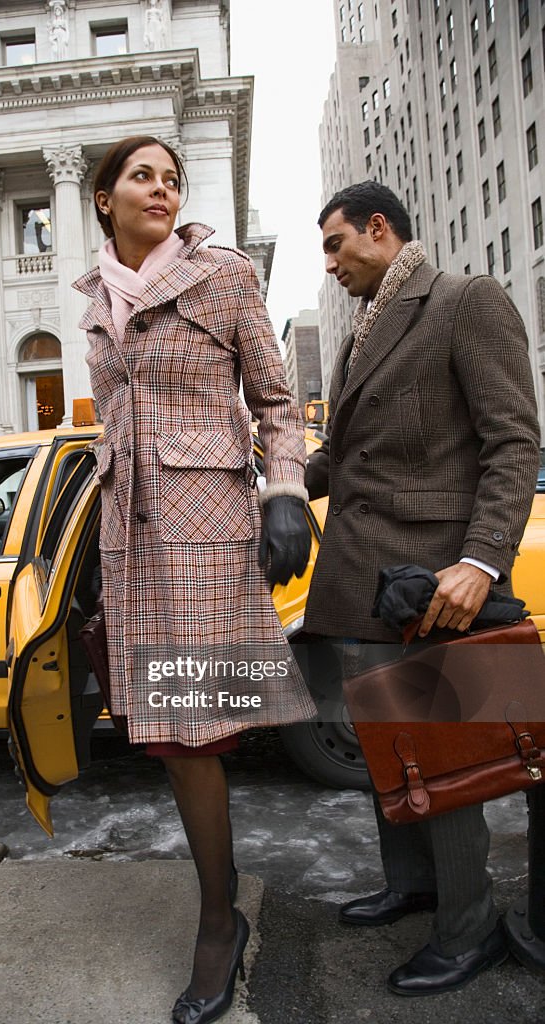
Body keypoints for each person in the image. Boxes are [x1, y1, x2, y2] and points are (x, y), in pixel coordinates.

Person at [72, 136, 315, 1024]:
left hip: (209, 531)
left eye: (173, 178)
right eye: (143, 176)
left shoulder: (223, 276)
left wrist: (284, 491)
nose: (163, 189)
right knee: (166, 734)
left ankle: (219, 920)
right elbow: (113, 428)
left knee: (196, 735)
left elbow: (277, 403)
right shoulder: (96, 299)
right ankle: (222, 900)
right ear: (104, 197)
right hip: (128, 538)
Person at [305, 180, 540, 996]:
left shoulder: (466, 302)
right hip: (365, 584)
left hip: (439, 582)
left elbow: (513, 442)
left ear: (380, 228)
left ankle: (467, 929)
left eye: (335, 243)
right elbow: (343, 457)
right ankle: (413, 886)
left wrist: (480, 562)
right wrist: (270, 481)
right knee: (391, 750)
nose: (328, 262)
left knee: (450, 764)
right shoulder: (357, 336)